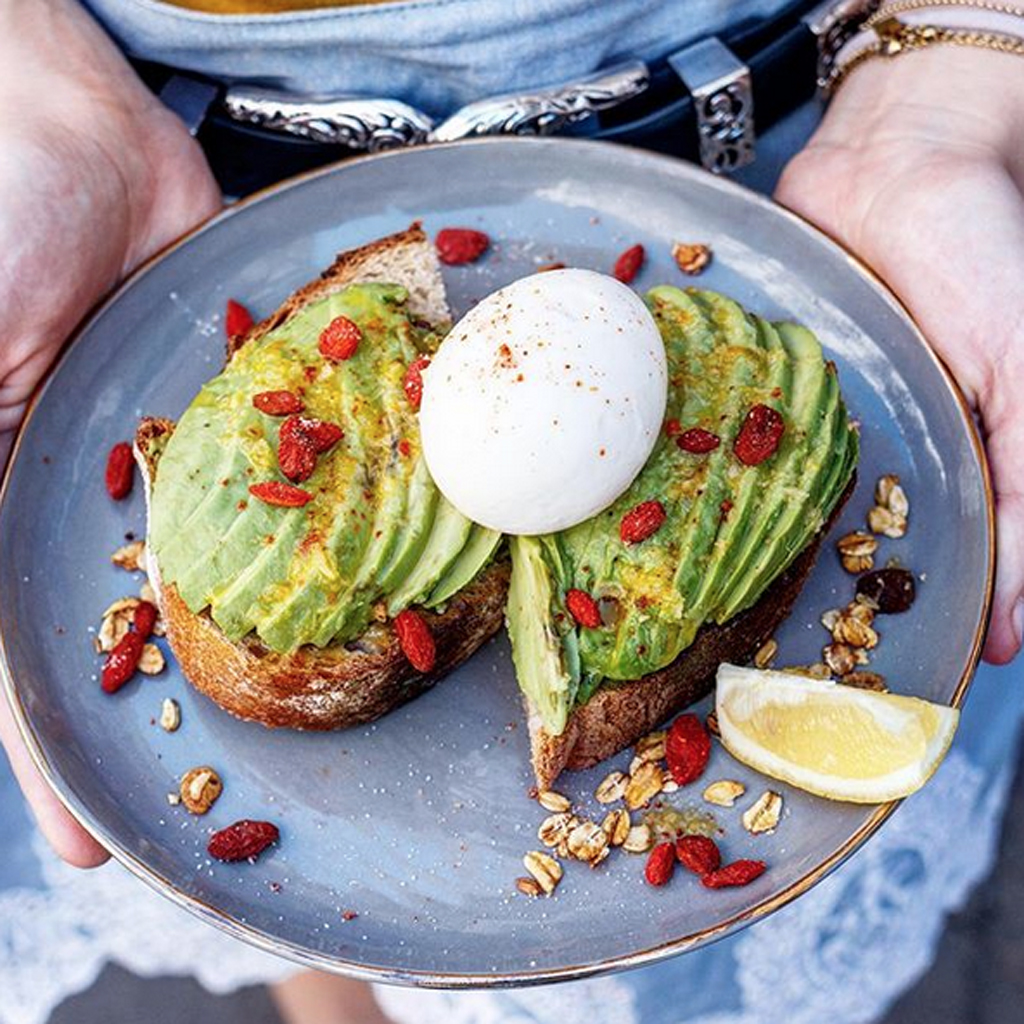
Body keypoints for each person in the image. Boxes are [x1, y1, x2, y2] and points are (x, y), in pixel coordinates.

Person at [0, 1, 1022, 1022]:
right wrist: (45, 82)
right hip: (158, 197)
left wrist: (957, 64)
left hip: (820, 158)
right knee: (271, 896)